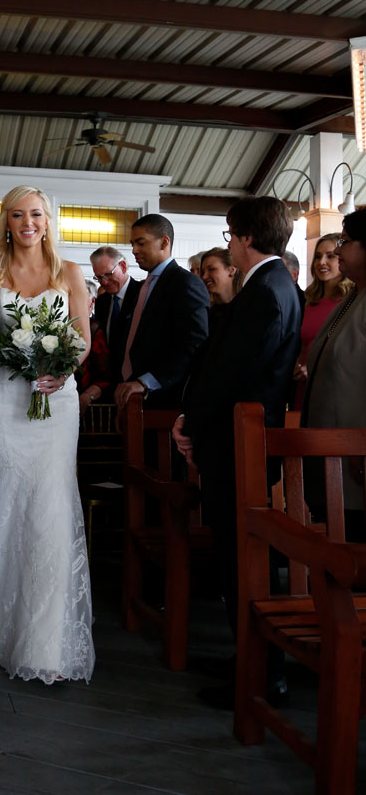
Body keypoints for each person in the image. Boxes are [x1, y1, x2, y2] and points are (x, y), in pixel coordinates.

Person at [0, 184, 95, 685]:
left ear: (48, 221)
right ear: (6, 221)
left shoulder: (68, 273)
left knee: (49, 503)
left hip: (56, 399)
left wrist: (64, 369)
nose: (28, 223)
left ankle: (41, 634)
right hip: (4, 399)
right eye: (18, 215)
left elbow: (84, 338)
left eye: (37, 215)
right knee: (0, 496)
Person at [172, 196, 302, 710]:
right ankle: (248, 656)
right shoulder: (269, 286)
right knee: (236, 557)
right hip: (236, 439)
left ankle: (262, 673)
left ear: (246, 237)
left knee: (242, 558)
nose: (228, 242)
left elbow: (232, 373)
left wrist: (191, 421)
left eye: (229, 235)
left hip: (239, 442)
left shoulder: (267, 291)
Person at [302, 210, 366, 541]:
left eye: (345, 242)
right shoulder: (354, 294)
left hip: (356, 457)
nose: (338, 251)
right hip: (333, 453)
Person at [114, 214, 209, 411]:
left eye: (140, 243)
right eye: (132, 244)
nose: (134, 250)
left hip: (166, 402)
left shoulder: (185, 283)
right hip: (133, 398)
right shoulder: (143, 287)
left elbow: (195, 343)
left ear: (164, 242)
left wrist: (146, 381)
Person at [291, 233, 351, 409]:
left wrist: (315, 368)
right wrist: (299, 363)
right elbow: (305, 345)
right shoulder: (310, 300)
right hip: (304, 386)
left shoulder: (350, 301)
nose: (321, 262)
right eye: (318, 256)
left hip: (334, 389)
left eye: (330, 256)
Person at [91, 245, 141, 393]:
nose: (104, 282)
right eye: (99, 277)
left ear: (123, 266)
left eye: (108, 274)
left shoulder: (142, 295)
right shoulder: (102, 302)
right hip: (109, 383)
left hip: (135, 383)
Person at [77, 277, 111, 413]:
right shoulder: (56, 327)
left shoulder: (95, 330)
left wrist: (86, 397)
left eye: (79, 300)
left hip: (90, 407)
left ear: (91, 302)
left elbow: (104, 378)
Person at [199, 247, 242, 333]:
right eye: (203, 272)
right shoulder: (205, 313)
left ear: (231, 270)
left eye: (211, 269)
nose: (204, 277)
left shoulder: (245, 309)